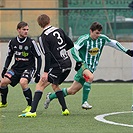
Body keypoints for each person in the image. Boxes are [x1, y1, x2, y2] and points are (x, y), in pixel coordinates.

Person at [42, 21, 133, 111]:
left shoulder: (102, 39)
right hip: (82, 65)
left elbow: (114, 43)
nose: (98, 35)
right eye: (96, 33)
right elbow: (74, 49)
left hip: (91, 68)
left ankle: (50, 96)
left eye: (99, 33)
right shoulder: (84, 39)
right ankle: (84, 102)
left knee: (72, 91)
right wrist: (79, 61)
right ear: (91, 31)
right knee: (90, 77)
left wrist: (127, 51)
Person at [18, 14, 74, 117]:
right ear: (49, 21)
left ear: (40, 24)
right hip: (68, 64)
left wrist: (45, 72)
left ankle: (32, 111)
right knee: (55, 85)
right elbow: (71, 44)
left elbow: (47, 55)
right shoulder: (59, 30)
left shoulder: (43, 37)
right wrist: (60, 51)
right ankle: (65, 109)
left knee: (40, 84)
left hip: (58, 66)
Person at [0, 21, 42, 113]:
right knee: (3, 83)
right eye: (24, 30)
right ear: (18, 30)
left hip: (29, 67)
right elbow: (9, 56)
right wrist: (5, 68)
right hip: (16, 68)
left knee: (23, 82)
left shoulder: (31, 42)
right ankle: (3, 102)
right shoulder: (13, 42)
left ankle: (30, 106)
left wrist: (38, 72)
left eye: (27, 30)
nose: (26, 31)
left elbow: (39, 57)